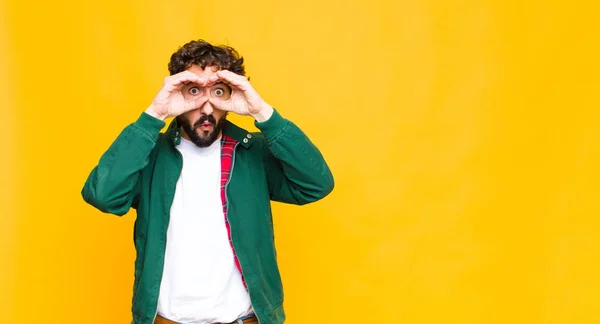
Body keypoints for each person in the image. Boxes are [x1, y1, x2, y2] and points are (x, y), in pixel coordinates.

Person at [81, 39, 334, 324]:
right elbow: (102, 195)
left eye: (217, 92)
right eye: (193, 91)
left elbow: (316, 183)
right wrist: (154, 115)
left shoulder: (253, 153)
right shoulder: (148, 154)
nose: (206, 108)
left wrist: (262, 112)